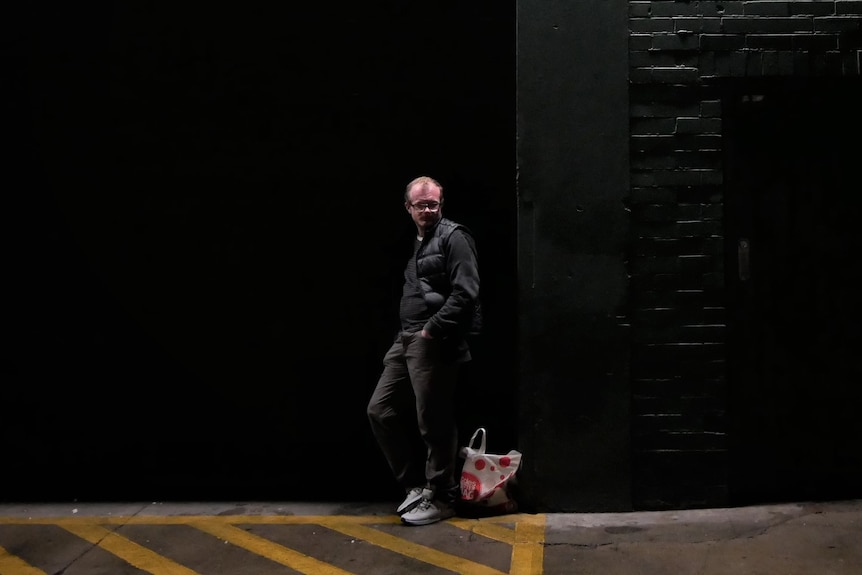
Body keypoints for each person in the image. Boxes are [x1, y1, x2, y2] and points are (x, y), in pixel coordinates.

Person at [367, 175, 482, 526]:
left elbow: (467, 293)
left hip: (430, 341)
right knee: (380, 410)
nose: (428, 210)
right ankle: (416, 487)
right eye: (421, 205)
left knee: (433, 421)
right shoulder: (419, 241)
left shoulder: (454, 237)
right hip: (406, 339)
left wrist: (432, 330)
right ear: (409, 207)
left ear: (441, 204)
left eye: (434, 204)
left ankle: (443, 496)